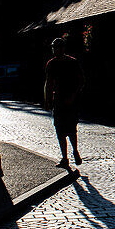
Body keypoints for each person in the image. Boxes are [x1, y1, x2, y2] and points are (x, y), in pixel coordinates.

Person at [44, 38, 85, 172]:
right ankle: (67, 155)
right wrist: (48, 100)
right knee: (63, 129)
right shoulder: (54, 64)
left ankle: (71, 153)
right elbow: (49, 83)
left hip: (68, 100)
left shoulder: (69, 63)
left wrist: (72, 96)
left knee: (68, 129)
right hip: (63, 100)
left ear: (62, 48)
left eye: (58, 48)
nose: (56, 50)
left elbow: (80, 81)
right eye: (55, 48)